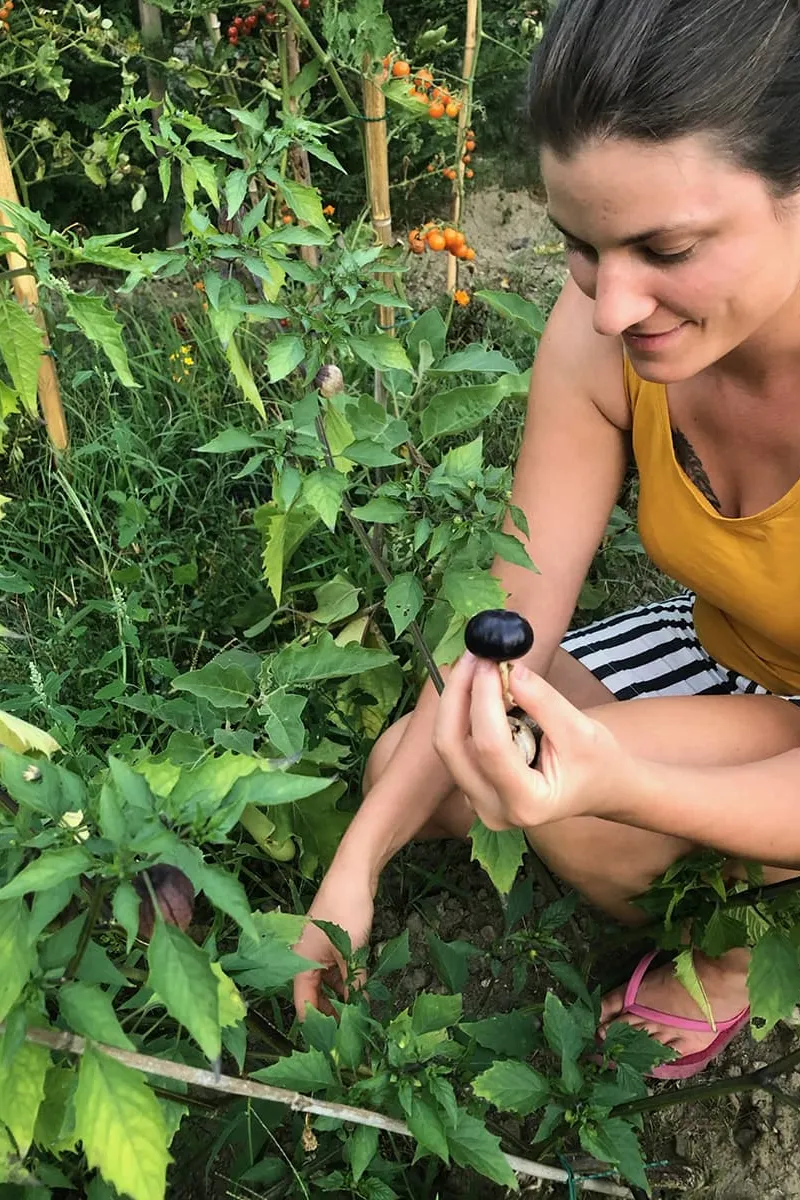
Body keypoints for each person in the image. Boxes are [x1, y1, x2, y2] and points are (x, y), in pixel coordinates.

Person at [293, 0, 800, 1080]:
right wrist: (357, 863)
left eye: (664, 248)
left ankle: (734, 956)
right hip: (730, 647)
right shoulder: (603, 334)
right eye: (580, 246)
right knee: (425, 759)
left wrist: (612, 780)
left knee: (575, 813)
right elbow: (512, 614)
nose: (611, 305)